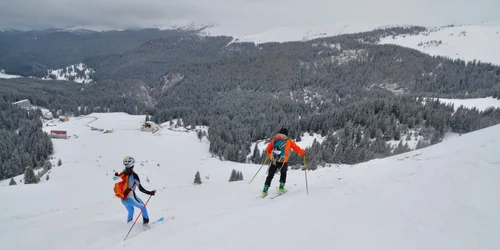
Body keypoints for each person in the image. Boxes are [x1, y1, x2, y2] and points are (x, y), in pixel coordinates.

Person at [262, 128, 306, 197]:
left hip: (274, 160)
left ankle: (265, 190)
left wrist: (271, 154)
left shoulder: (274, 140)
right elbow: (295, 148)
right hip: (283, 161)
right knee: (283, 173)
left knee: (270, 175)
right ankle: (281, 188)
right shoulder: (289, 141)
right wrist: (302, 153)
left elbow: (268, 150)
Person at [115, 156, 156, 225]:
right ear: (132, 165)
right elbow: (141, 188)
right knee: (143, 207)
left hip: (122, 198)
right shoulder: (134, 176)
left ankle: (128, 225)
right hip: (130, 197)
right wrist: (150, 193)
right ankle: (146, 225)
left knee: (131, 210)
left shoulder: (121, 174)